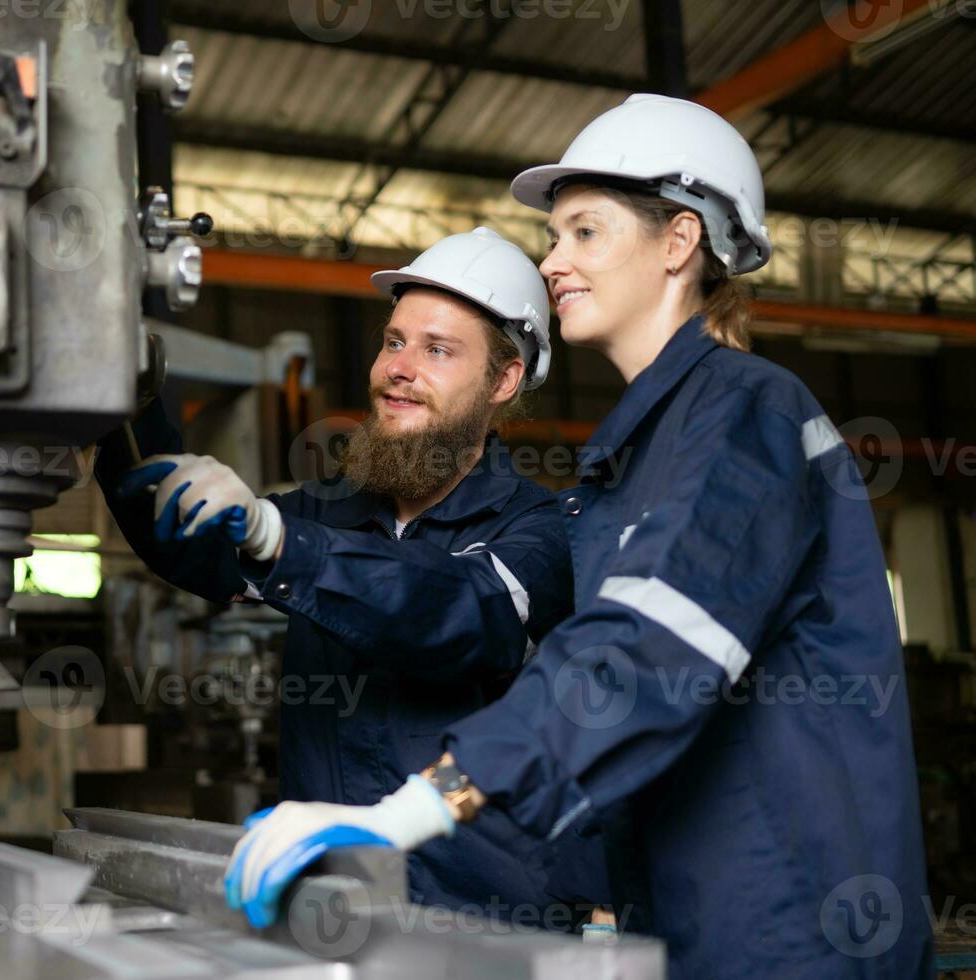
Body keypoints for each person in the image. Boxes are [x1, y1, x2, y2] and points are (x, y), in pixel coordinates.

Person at [223, 94, 933, 979]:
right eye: (554, 237)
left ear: (679, 242)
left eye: (583, 233)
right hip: (688, 919)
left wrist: (409, 812)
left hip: (786, 927)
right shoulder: (635, 459)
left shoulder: (747, 413)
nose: (553, 262)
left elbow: (637, 658)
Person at [98, 228, 600, 922]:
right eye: (394, 341)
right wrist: (124, 394)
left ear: (503, 381)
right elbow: (186, 543)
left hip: (490, 930)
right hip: (334, 913)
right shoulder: (330, 511)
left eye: (438, 349)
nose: (399, 367)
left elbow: (453, 606)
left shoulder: (544, 531)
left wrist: (281, 541)